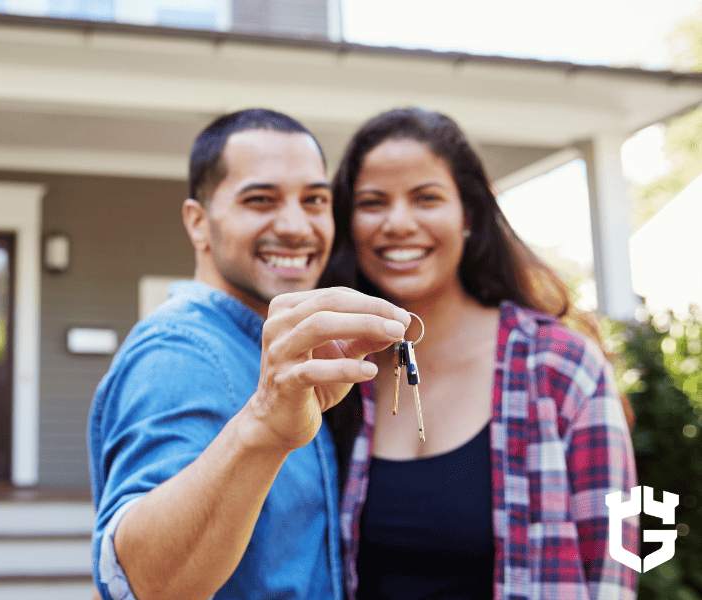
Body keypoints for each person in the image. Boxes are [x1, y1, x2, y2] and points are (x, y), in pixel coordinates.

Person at [87, 108, 412, 600]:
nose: (296, 226)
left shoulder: (276, 348)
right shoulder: (178, 354)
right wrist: (263, 426)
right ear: (198, 223)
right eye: (261, 199)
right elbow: (140, 583)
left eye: (314, 200)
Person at [320, 107, 639, 600]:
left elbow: (615, 567)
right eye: (372, 202)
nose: (398, 222)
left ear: (468, 215)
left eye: (426, 198)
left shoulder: (560, 365)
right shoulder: (334, 370)